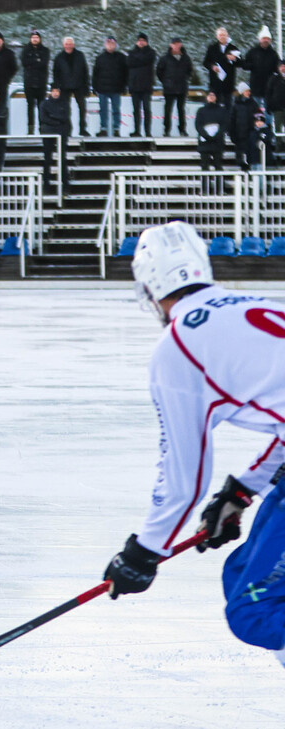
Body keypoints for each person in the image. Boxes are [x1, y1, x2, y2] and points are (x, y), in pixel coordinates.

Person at [102, 220, 285, 668]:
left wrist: (144, 552)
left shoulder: (180, 344)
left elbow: (184, 477)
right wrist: (241, 491)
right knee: (243, 574)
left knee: (256, 610)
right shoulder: (257, 306)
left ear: (148, 286)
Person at [53, 37, 90, 136]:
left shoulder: (80, 55)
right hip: (64, 86)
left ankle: (83, 129)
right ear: (63, 45)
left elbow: (85, 71)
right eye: (66, 44)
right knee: (65, 109)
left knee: (82, 108)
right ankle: (67, 130)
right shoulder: (59, 57)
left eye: (70, 44)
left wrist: (86, 86)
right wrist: (56, 86)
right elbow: (56, 73)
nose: (68, 46)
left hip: (79, 85)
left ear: (73, 45)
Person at [157, 38, 194, 137]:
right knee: (168, 109)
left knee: (181, 109)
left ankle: (182, 129)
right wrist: (166, 81)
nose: (176, 46)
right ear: (171, 45)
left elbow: (190, 71)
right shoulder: (165, 58)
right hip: (169, 88)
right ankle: (166, 130)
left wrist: (185, 79)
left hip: (182, 87)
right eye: (174, 44)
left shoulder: (186, 58)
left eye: (178, 44)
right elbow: (159, 71)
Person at [92, 36, 128, 137]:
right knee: (103, 110)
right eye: (108, 43)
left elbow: (126, 73)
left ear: (115, 45)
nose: (110, 45)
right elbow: (95, 74)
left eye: (112, 43)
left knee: (116, 110)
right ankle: (103, 129)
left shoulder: (121, 57)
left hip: (116, 89)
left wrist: (125, 85)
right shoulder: (100, 58)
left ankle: (116, 129)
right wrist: (94, 86)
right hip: (102, 89)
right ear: (105, 45)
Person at [196, 90, 228, 194]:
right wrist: (206, 135)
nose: (211, 97)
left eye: (213, 95)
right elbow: (198, 125)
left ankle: (220, 189)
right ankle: (205, 189)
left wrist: (217, 135)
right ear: (206, 97)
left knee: (218, 165)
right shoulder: (201, 110)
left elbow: (224, 124)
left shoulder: (222, 110)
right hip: (204, 142)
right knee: (205, 166)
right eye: (209, 95)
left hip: (217, 142)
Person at [39, 86, 71, 189]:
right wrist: (57, 120)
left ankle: (65, 184)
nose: (55, 93)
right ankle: (46, 184)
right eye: (53, 91)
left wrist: (52, 116)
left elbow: (65, 117)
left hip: (61, 133)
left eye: (57, 91)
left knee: (62, 158)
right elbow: (43, 118)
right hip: (48, 133)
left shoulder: (64, 103)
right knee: (47, 158)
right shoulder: (44, 103)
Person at [127, 33, 157, 138]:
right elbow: (129, 63)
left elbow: (147, 60)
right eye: (139, 40)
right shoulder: (131, 52)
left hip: (146, 86)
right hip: (134, 85)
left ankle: (147, 131)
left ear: (146, 42)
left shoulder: (151, 52)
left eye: (143, 40)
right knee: (136, 110)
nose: (141, 42)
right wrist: (140, 60)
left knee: (147, 109)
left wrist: (137, 59)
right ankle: (137, 130)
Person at [21, 30, 51, 135]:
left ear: (40, 39)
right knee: (30, 107)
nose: (35, 39)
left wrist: (32, 62)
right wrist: (36, 61)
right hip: (29, 83)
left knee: (41, 106)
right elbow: (24, 63)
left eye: (37, 37)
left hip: (41, 83)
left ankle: (42, 128)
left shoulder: (45, 50)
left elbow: (43, 63)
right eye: (33, 37)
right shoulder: (25, 50)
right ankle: (30, 128)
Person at [204, 27, 240, 108]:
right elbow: (205, 62)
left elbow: (241, 63)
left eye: (224, 35)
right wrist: (212, 67)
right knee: (213, 106)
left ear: (227, 36)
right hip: (215, 83)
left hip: (228, 83)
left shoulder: (233, 48)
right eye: (220, 35)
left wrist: (234, 59)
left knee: (228, 107)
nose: (222, 37)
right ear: (217, 37)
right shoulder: (212, 48)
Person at [245, 29, 281, 106]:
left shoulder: (273, 54)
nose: (266, 40)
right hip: (255, 86)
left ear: (270, 40)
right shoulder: (253, 52)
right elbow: (245, 65)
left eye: (267, 39)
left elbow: (278, 68)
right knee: (256, 109)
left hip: (269, 87)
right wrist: (252, 65)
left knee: (268, 109)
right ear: (260, 39)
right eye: (264, 38)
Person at [230, 82, 261, 171]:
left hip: (251, 134)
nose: (248, 92)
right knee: (241, 155)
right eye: (246, 91)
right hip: (240, 134)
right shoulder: (235, 105)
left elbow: (259, 116)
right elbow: (232, 121)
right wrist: (232, 134)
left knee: (251, 154)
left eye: (249, 91)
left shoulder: (253, 103)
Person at [268, 61, 285, 133]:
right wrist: (269, 105)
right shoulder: (274, 78)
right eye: (281, 66)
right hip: (278, 109)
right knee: (278, 129)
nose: (283, 68)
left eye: (284, 66)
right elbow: (268, 93)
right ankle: (278, 140)